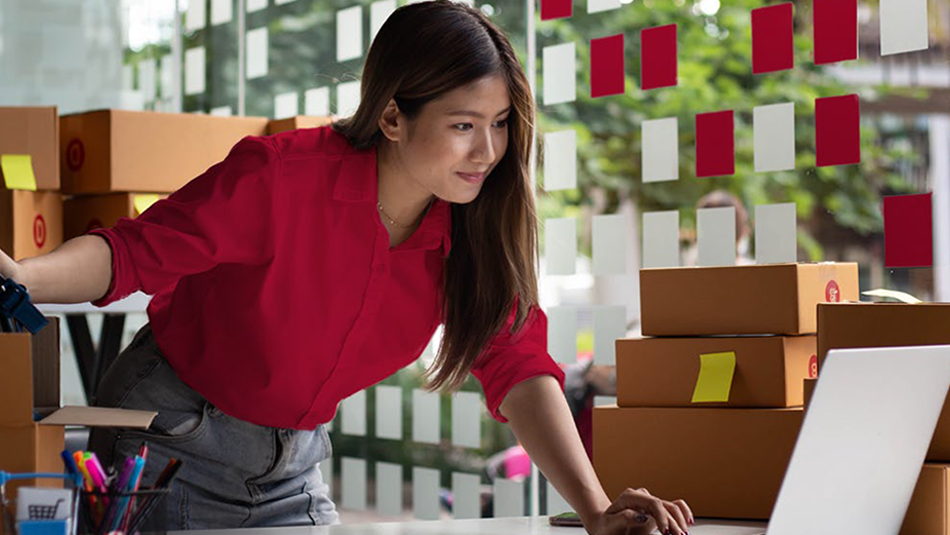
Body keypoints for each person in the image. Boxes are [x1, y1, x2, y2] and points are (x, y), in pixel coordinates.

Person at [0, 2, 693, 534]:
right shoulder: (280, 178)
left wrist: (599, 510)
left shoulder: (473, 228)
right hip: (175, 445)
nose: (488, 149)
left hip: (293, 467)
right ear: (392, 116)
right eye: (462, 124)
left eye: (501, 122)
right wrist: (24, 278)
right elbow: (132, 252)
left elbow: (518, 364)